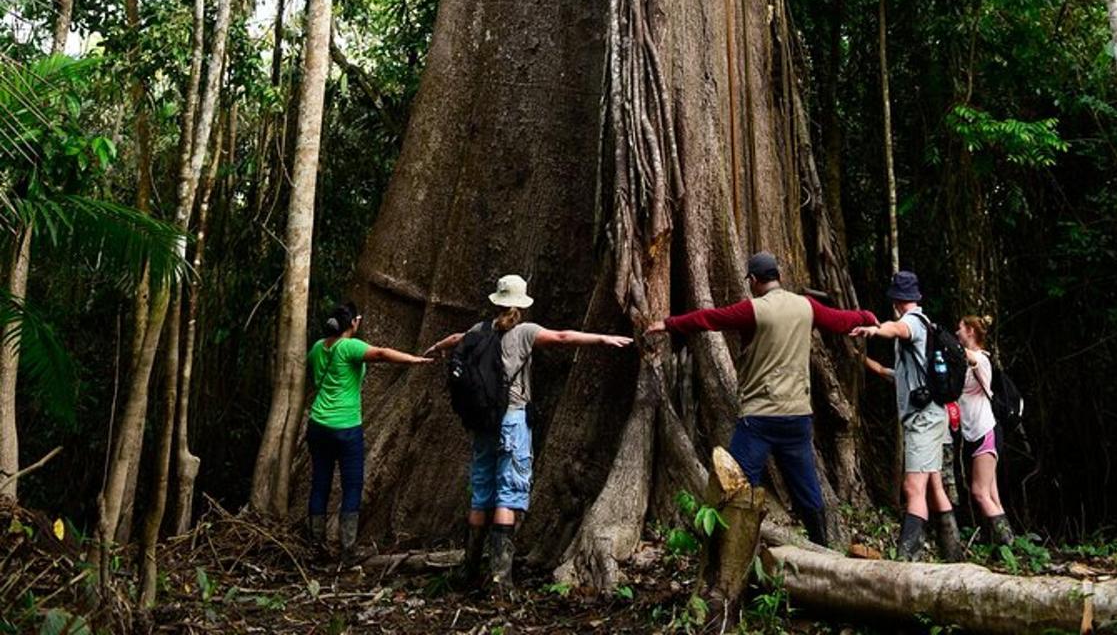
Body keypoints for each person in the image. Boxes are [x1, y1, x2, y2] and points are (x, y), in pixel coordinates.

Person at [645, 251, 879, 548]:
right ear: (778, 276)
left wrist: (668, 324)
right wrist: (868, 318)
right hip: (797, 416)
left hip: (760, 418)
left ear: (754, 280)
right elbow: (841, 321)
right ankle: (822, 550)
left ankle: (731, 555)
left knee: (738, 488)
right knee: (807, 491)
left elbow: (709, 319)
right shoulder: (806, 306)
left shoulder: (754, 310)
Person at [425, 274, 633, 595]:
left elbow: (456, 338)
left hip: (482, 423)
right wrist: (602, 339)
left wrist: (438, 346)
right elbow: (563, 337)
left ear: (497, 301)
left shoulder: (479, 331)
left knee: (482, 491)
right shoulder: (525, 332)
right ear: (521, 305)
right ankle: (499, 579)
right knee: (509, 491)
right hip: (512, 420)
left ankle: (468, 568)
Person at [307, 301, 433, 560]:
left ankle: (315, 545)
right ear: (353, 323)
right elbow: (382, 354)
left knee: (320, 482)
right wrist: (414, 360)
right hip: (345, 427)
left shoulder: (318, 347)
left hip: (318, 425)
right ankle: (348, 549)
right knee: (352, 485)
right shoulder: (348, 346)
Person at [853, 271, 964, 561]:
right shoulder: (926, 324)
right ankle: (953, 556)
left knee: (913, 487)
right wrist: (866, 362)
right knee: (934, 484)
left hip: (923, 420)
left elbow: (896, 329)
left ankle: (907, 558)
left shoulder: (912, 322)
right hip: (934, 414)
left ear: (898, 301)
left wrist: (874, 330)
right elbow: (902, 374)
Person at [956, 314, 1015, 546]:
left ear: (970, 331)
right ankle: (1005, 547)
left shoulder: (981, 360)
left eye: (960, 328)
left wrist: (941, 339)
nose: (957, 332)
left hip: (985, 430)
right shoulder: (966, 364)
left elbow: (969, 356)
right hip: (974, 432)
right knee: (992, 495)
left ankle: (1008, 544)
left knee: (980, 492)